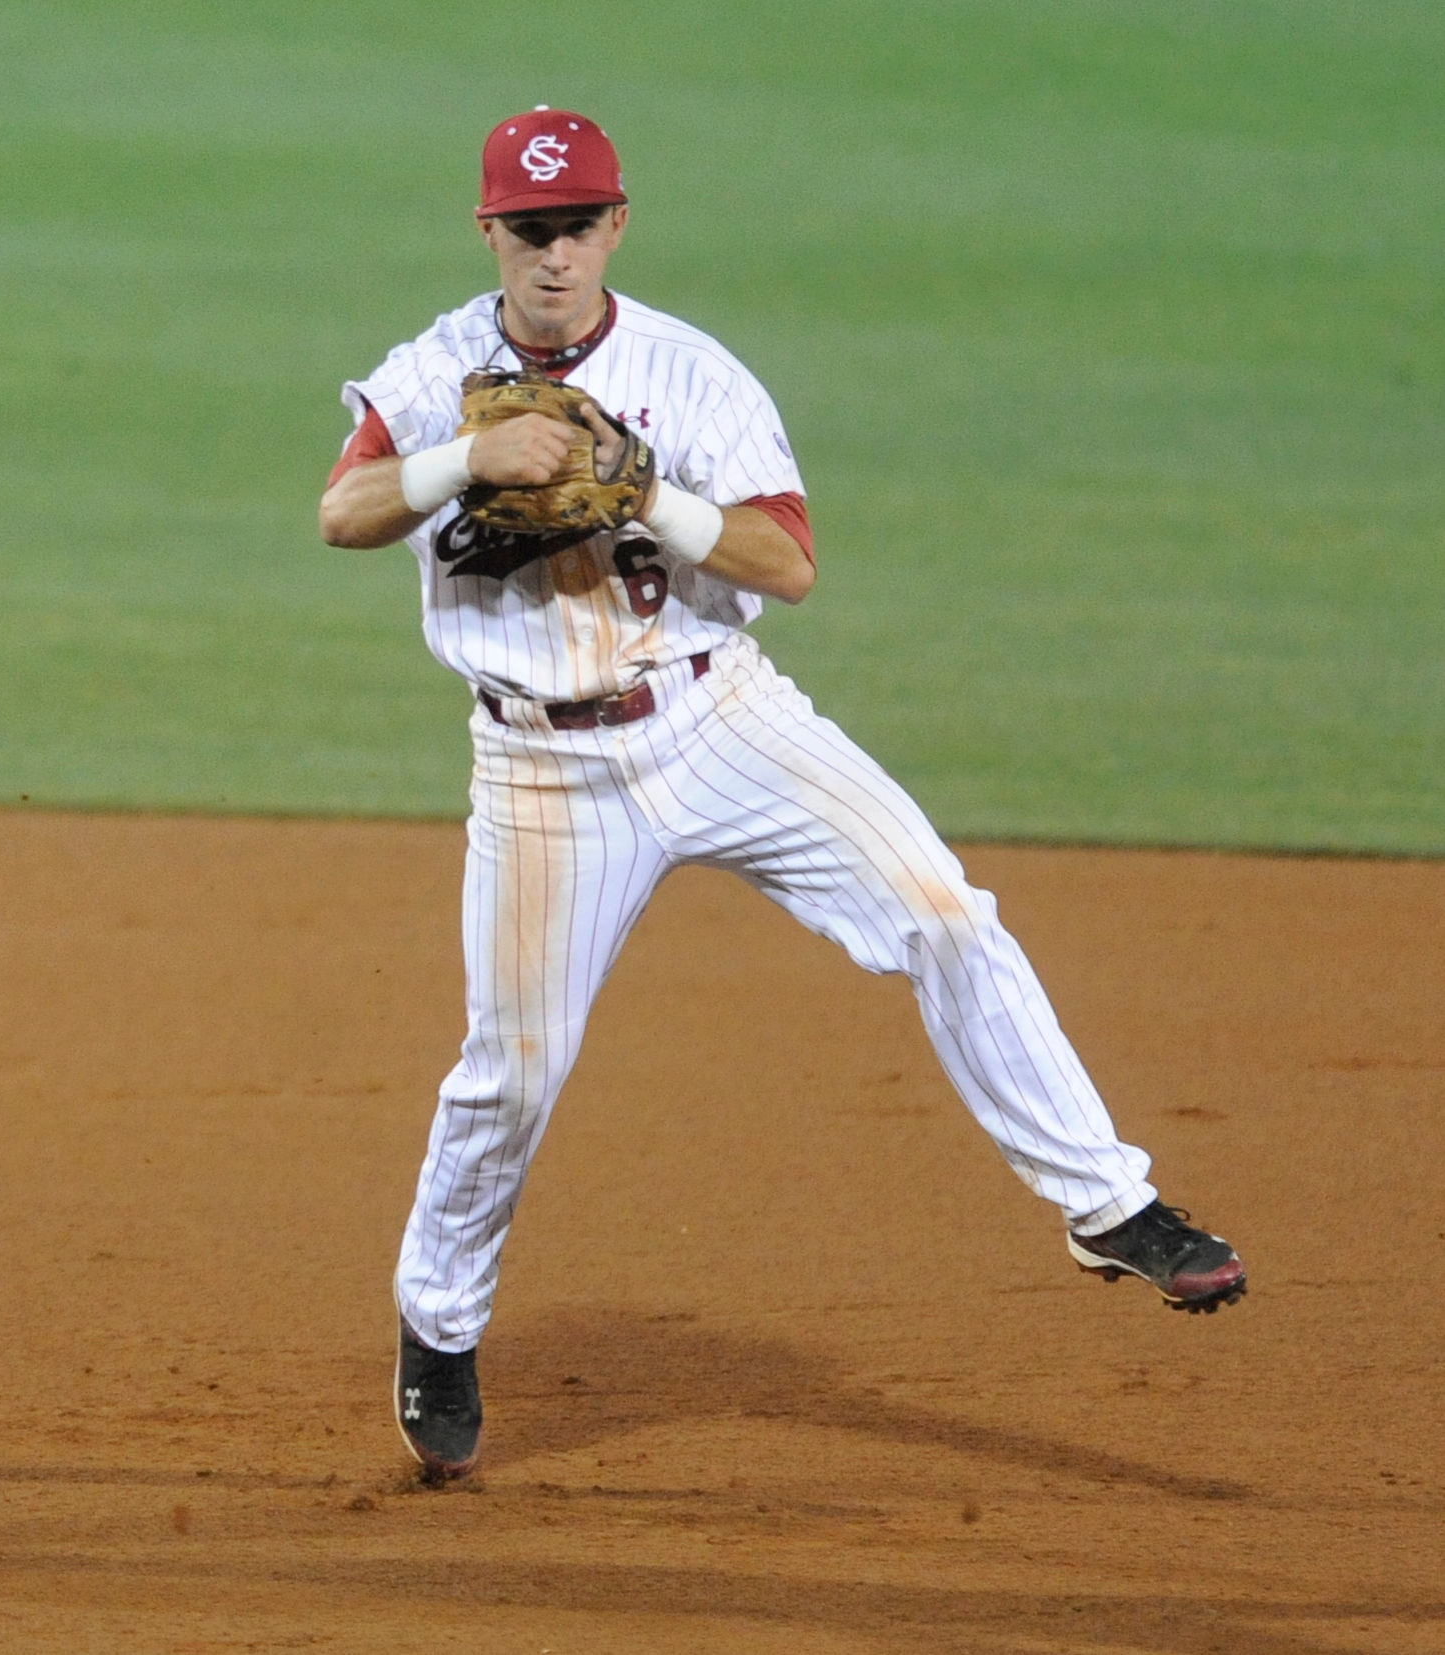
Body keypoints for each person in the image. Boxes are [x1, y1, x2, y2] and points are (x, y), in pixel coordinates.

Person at [317, 108, 1246, 1483]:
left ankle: (1109, 1202)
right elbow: (343, 513)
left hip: (722, 716)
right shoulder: (437, 364)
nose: (555, 254)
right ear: (491, 231)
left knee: (944, 909)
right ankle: (440, 1327)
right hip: (541, 766)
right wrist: (467, 460)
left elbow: (788, 562)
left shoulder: (692, 376)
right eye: (529, 228)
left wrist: (642, 495)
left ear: (617, 226)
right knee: (509, 1072)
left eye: (578, 227)